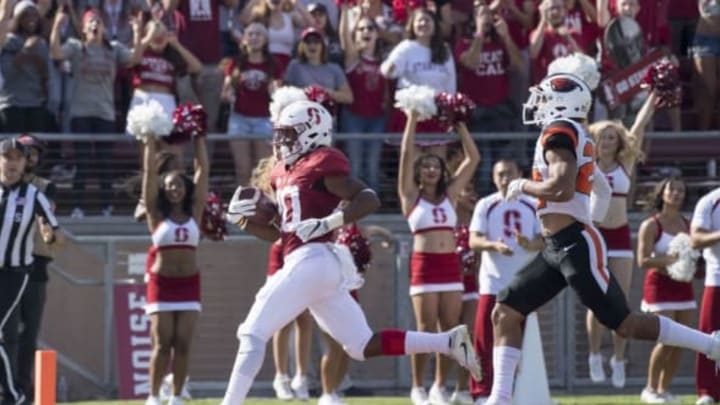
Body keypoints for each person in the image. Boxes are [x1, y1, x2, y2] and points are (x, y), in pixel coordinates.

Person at [221, 100, 481, 405]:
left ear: (312, 132)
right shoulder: (282, 172)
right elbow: (279, 234)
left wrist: (328, 222)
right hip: (313, 265)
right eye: (282, 134)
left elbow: (368, 197)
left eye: (290, 134)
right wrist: (243, 222)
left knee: (252, 333)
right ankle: (449, 341)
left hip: (314, 259)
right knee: (361, 344)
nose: (282, 141)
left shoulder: (322, 161)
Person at [483, 73, 720, 405]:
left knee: (625, 324)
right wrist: (589, 216)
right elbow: (602, 187)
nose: (537, 104)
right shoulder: (574, 132)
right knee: (505, 310)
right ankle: (500, 398)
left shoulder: (561, 133)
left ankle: (712, 345)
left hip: (573, 244)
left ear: (561, 102)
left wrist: (523, 186)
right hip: (557, 245)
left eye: (544, 97)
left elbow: (559, 188)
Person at [397, 108, 480, 405]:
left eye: (436, 165)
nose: (431, 170)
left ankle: (439, 387)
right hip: (424, 266)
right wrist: (412, 119)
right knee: (425, 328)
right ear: (418, 173)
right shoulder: (410, 196)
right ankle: (417, 387)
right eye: (426, 166)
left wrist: (459, 125)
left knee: (450, 330)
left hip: (450, 267)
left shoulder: (451, 194)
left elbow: (474, 158)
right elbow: (407, 153)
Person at [585, 91, 657, 388]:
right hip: (594, 234)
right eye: (603, 137)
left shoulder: (625, 164)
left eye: (613, 138)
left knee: (621, 302)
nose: (607, 142)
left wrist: (654, 94)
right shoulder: (586, 163)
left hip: (619, 235)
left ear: (619, 143)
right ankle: (593, 354)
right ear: (595, 141)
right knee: (595, 299)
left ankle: (618, 357)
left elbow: (638, 127)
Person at [140, 111, 209, 405]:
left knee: (183, 344)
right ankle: (154, 396)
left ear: (185, 188)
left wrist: (198, 136)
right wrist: (151, 141)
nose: (175, 189)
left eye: (179, 185)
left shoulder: (195, 213)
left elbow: (202, 169)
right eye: (169, 187)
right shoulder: (156, 217)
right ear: (164, 192)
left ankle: (178, 395)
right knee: (161, 344)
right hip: (162, 284)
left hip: (189, 284)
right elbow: (149, 175)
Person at [468, 159, 543, 404]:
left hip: (524, 282)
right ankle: (481, 392)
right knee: (484, 339)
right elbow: (474, 240)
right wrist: (494, 245)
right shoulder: (485, 204)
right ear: (493, 178)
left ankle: (511, 391)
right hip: (493, 282)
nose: (504, 179)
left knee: (519, 342)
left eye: (509, 174)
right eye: (500, 174)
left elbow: (545, 241)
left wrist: (528, 244)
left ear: (520, 175)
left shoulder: (533, 204)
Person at [0, 137, 61, 405]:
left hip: (14, 273)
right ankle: (12, 395)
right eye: (6, 157)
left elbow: (56, 233)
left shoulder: (35, 195)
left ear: (25, 163)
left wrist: (50, 236)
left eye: (17, 158)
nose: (11, 163)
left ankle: (12, 395)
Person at [637, 177, 695, 404]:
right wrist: (670, 261)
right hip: (659, 288)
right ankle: (650, 389)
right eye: (672, 189)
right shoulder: (651, 224)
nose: (677, 194)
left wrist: (687, 263)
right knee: (666, 339)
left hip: (683, 288)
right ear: (662, 193)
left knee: (681, 341)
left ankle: (664, 389)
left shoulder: (688, 224)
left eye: (681, 190)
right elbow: (642, 261)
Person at [690, 186, 720, 405]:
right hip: (717, 279)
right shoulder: (710, 201)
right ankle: (707, 391)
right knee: (709, 337)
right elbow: (696, 239)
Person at [452, 183, 480, 405]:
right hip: (448, 287)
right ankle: (436, 387)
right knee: (446, 336)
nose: (472, 195)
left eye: (474, 191)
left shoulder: (477, 222)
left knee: (467, 336)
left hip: (472, 287)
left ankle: (462, 389)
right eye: (467, 189)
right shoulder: (446, 220)